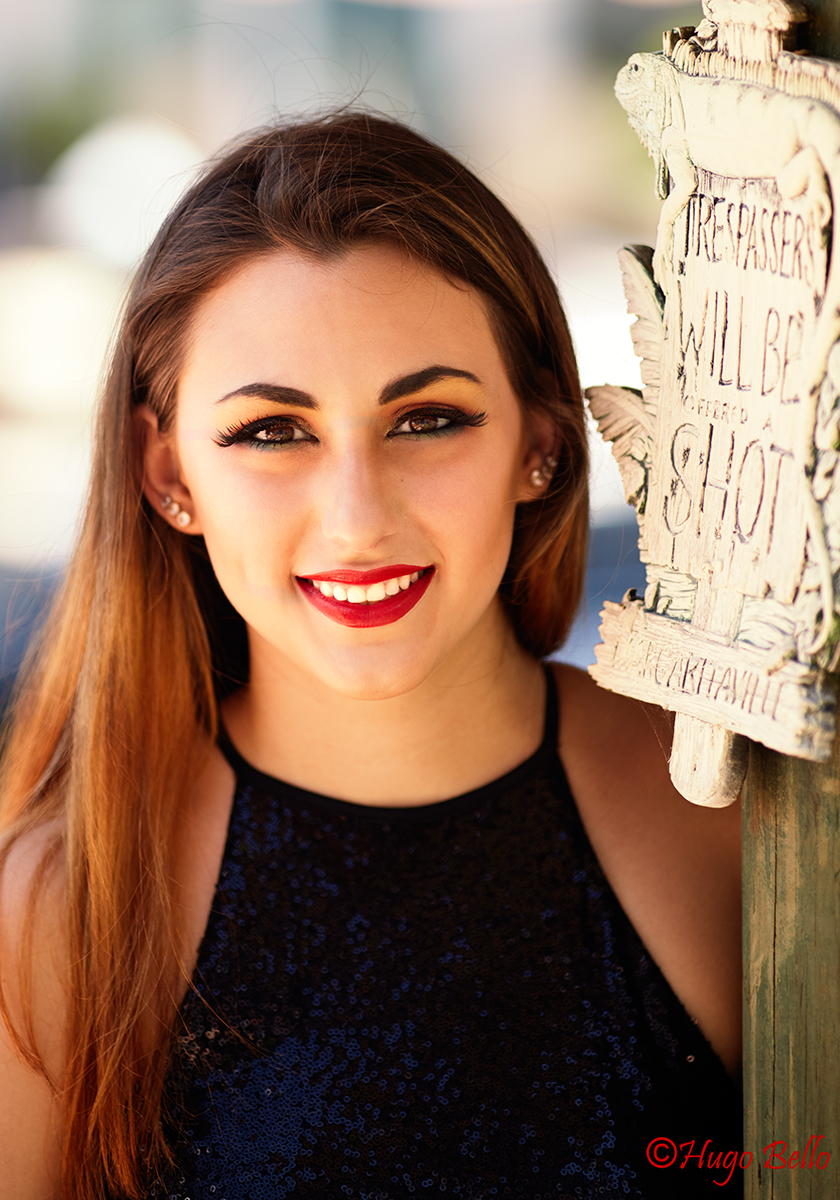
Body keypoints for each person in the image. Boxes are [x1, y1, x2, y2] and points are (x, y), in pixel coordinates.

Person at [0, 112, 742, 1200]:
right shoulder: (64, 907)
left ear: (540, 442)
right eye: (271, 431)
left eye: (428, 419)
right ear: (167, 475)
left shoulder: (723, 807)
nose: (357, 519)